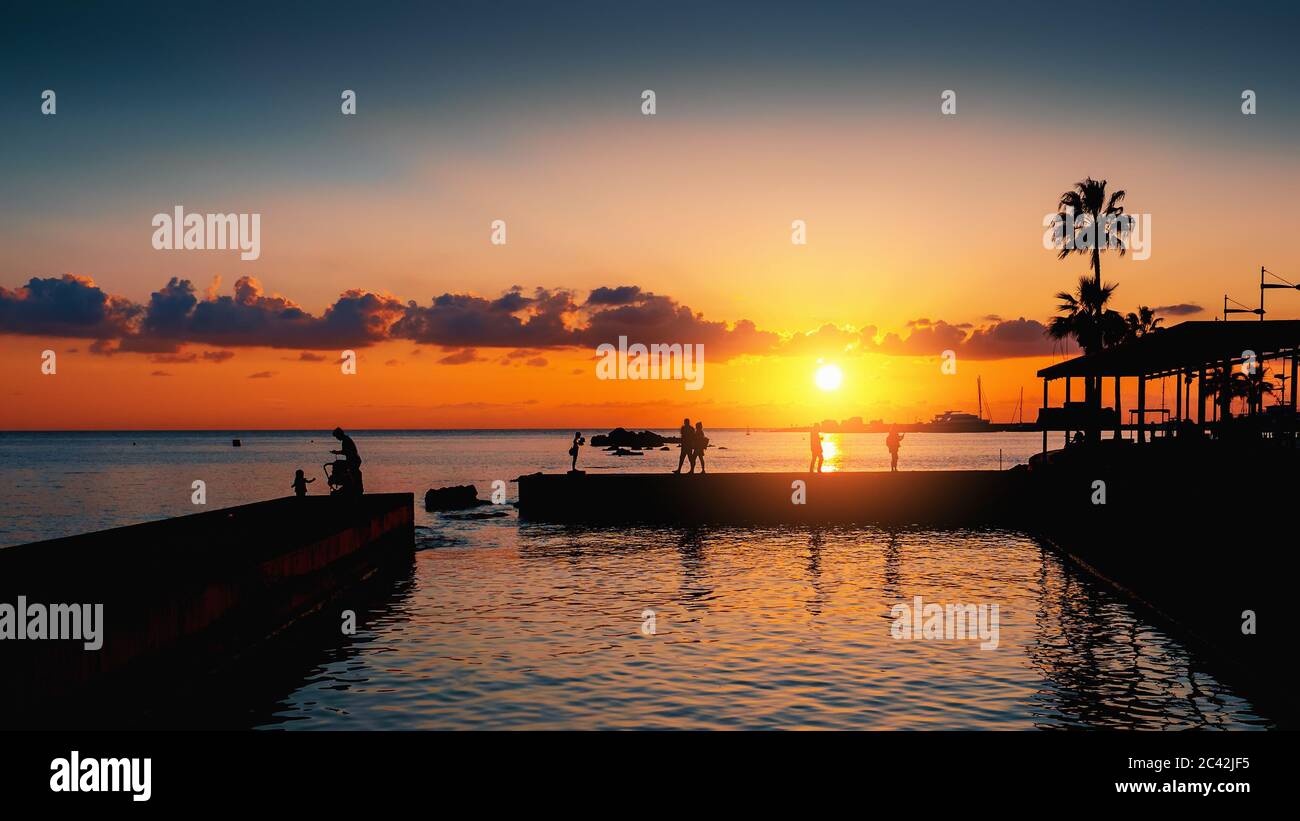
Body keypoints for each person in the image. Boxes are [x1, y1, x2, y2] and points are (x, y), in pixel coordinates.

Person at [330, 427, 364, 495]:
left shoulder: (346, 440)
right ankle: (346, 484)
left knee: (337, 464)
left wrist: (337, 452)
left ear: (339, 434)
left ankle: (339, 480)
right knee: (349, 471)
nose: (337, 438)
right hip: (354, 460)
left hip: (354, 461)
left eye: (337, 436)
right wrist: (337, 452)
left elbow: (346, 451)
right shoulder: (346, 439)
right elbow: (346, 451)